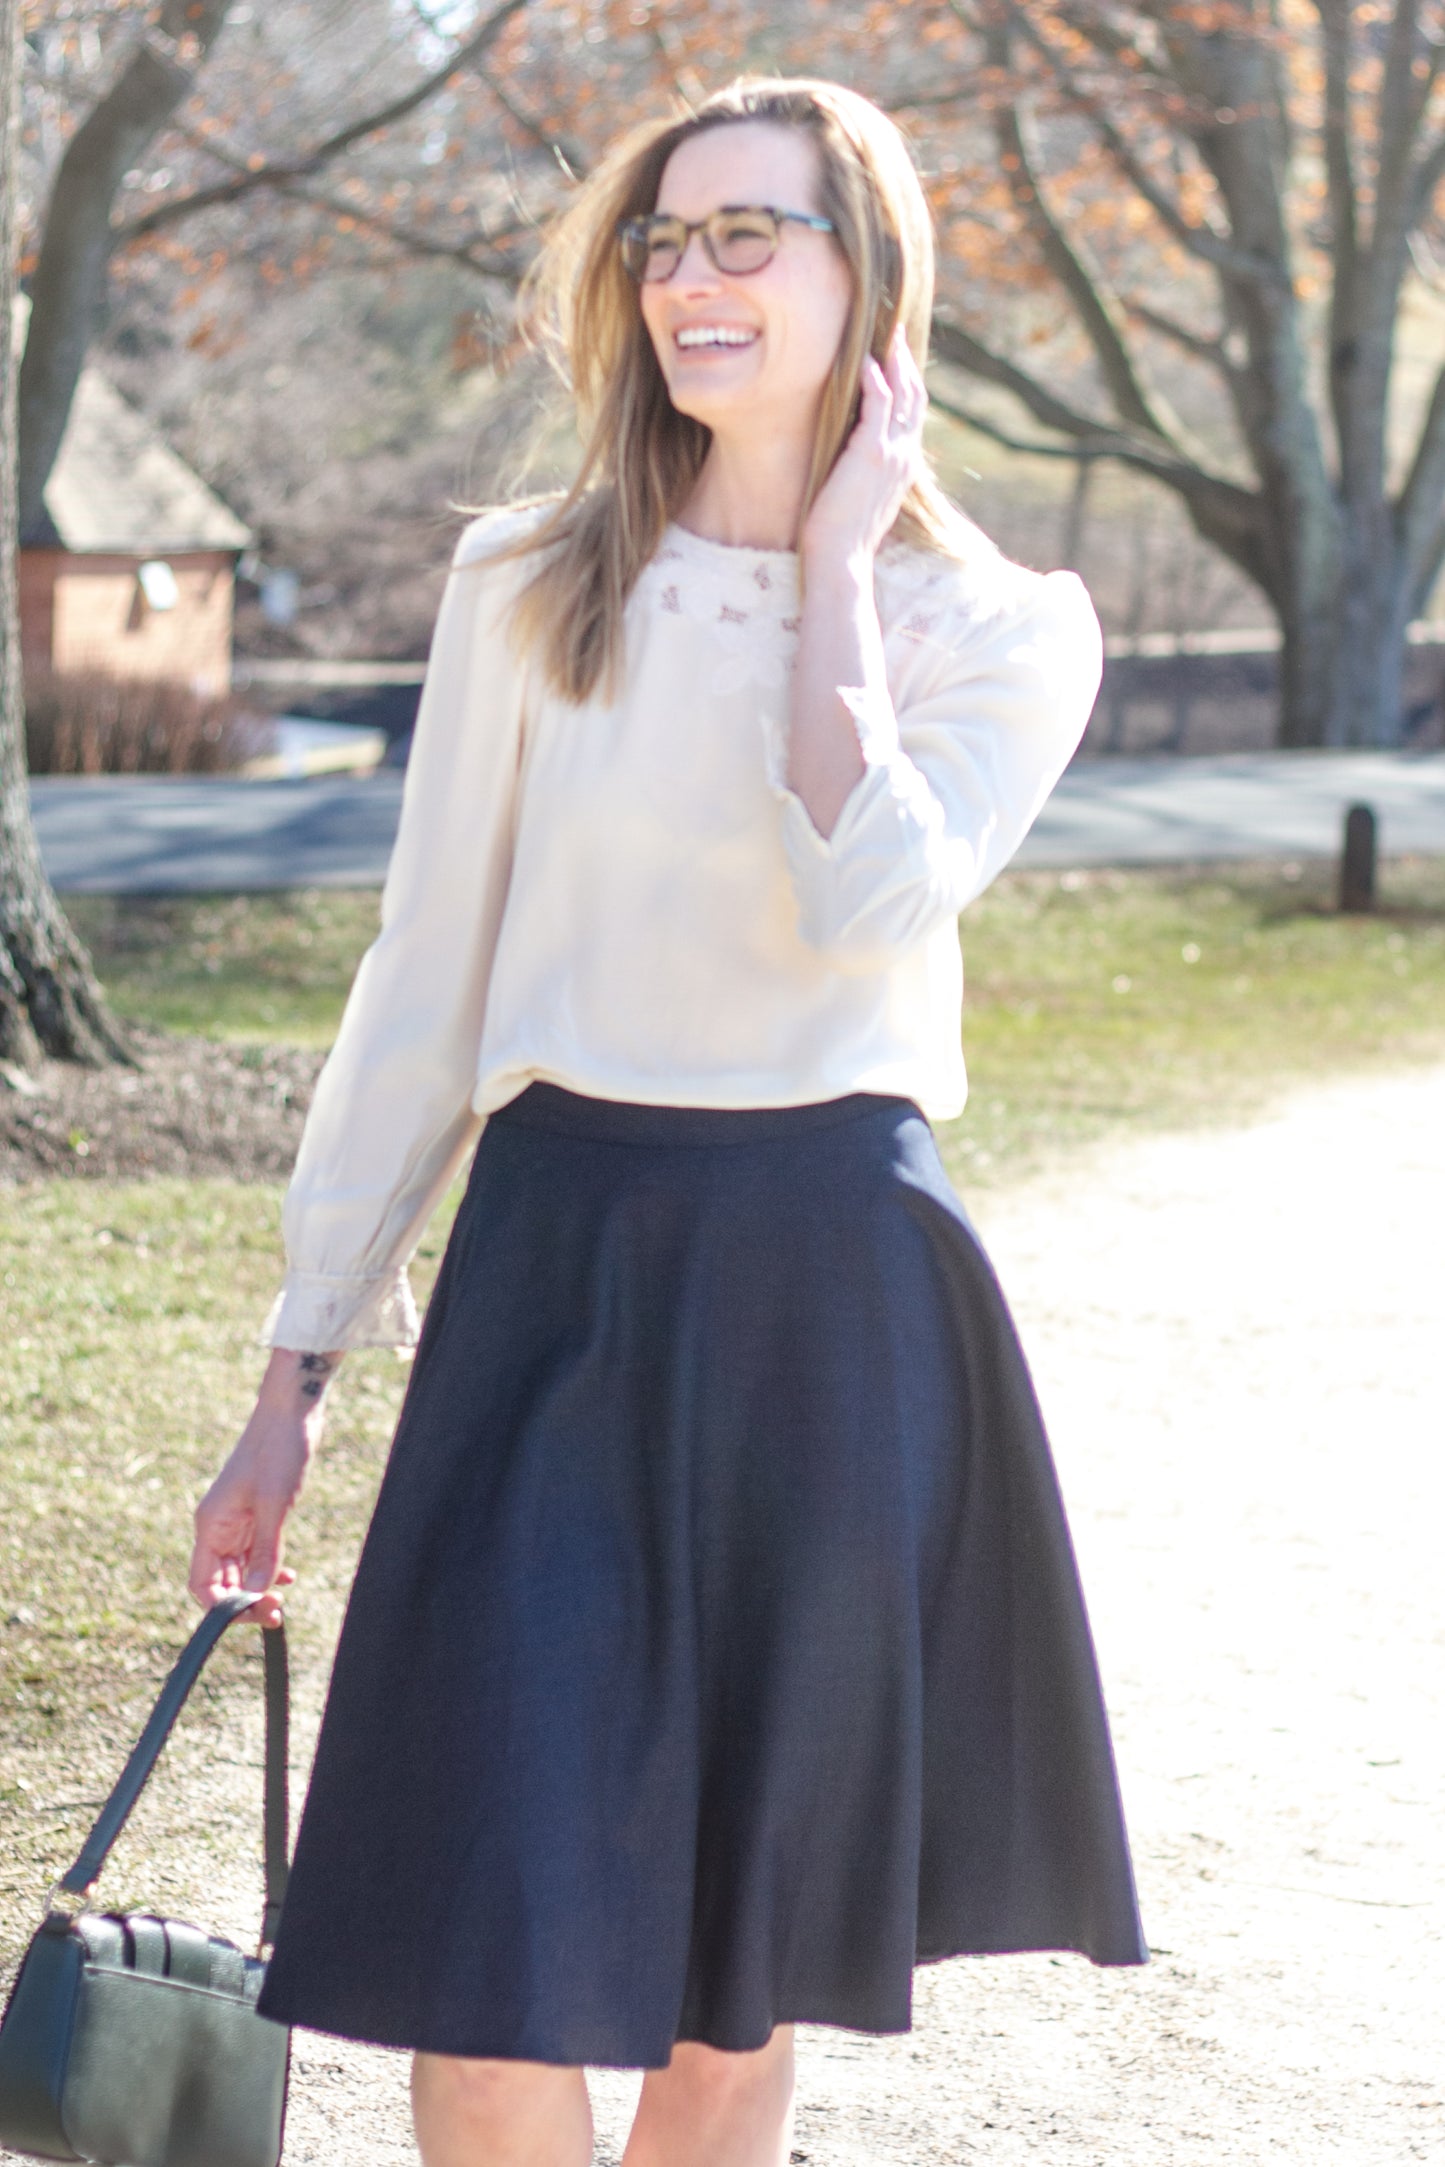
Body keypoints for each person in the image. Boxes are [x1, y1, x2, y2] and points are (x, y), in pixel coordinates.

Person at [189, 74, 1146, 2167]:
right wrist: (298, 1368)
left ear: (864, 274)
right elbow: (423, 983)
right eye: (663, 239)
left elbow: (866, 890)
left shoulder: (999, 629)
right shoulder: (526, 583)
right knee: (485, 1934)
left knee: (743, 1971)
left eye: (749, 235)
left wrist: (827, 562)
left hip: (836, 1290)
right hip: (558, 1272)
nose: (690, 280)